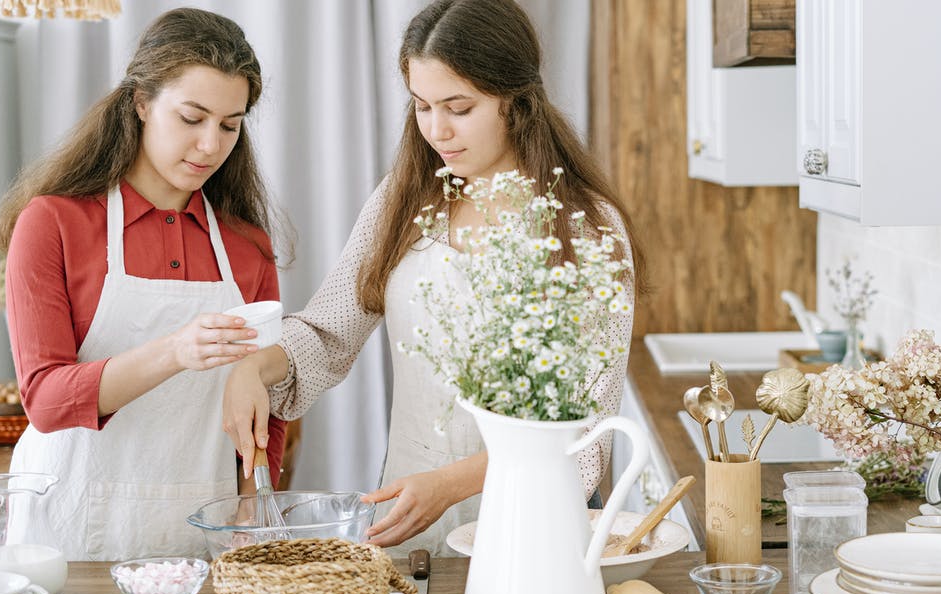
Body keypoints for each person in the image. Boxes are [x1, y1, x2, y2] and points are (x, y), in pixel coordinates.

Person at [222, 0, 645, 556]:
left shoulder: (586, 229)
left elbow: (585, 441)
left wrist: (448, 487)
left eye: (459, 107)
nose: (436, 130)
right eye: (422, 106)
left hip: (533, 527)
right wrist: (255, 365)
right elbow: (327, 333)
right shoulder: (405, 199)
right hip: (408, 520)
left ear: (516, 102)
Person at [0, 8, 287, 561]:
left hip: (204, 528)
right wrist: (176, 350)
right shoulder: (53, 223)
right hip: (70, 531)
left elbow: (261, 406)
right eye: (191, 117)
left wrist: (253, 508)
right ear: (141, 102)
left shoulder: (247, 246)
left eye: (229, 124)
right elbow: (47, 402)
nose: (209, 145)